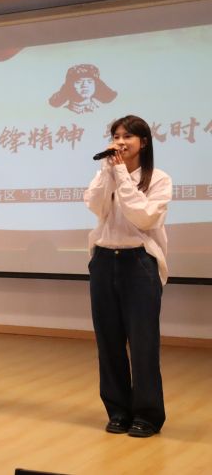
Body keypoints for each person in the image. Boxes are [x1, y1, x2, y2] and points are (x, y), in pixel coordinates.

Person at [83, 115, 172, 438]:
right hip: (104, 259)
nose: (120, 142)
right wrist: (107, 172)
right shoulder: (107, 173)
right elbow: (95, 206)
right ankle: (118, 410)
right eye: (116, 136)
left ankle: (147, 414)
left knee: (143, 342)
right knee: (108, 342)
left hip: (139, 263)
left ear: (143, 142)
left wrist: (121, 174)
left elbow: (143, 217)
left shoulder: (159, 179)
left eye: (127, 137)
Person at [49, 64, 117, 114]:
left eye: (90, 82)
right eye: (79, 82)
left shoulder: (102, 110)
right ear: (70, 86)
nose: (85, 85)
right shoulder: (61, 112)